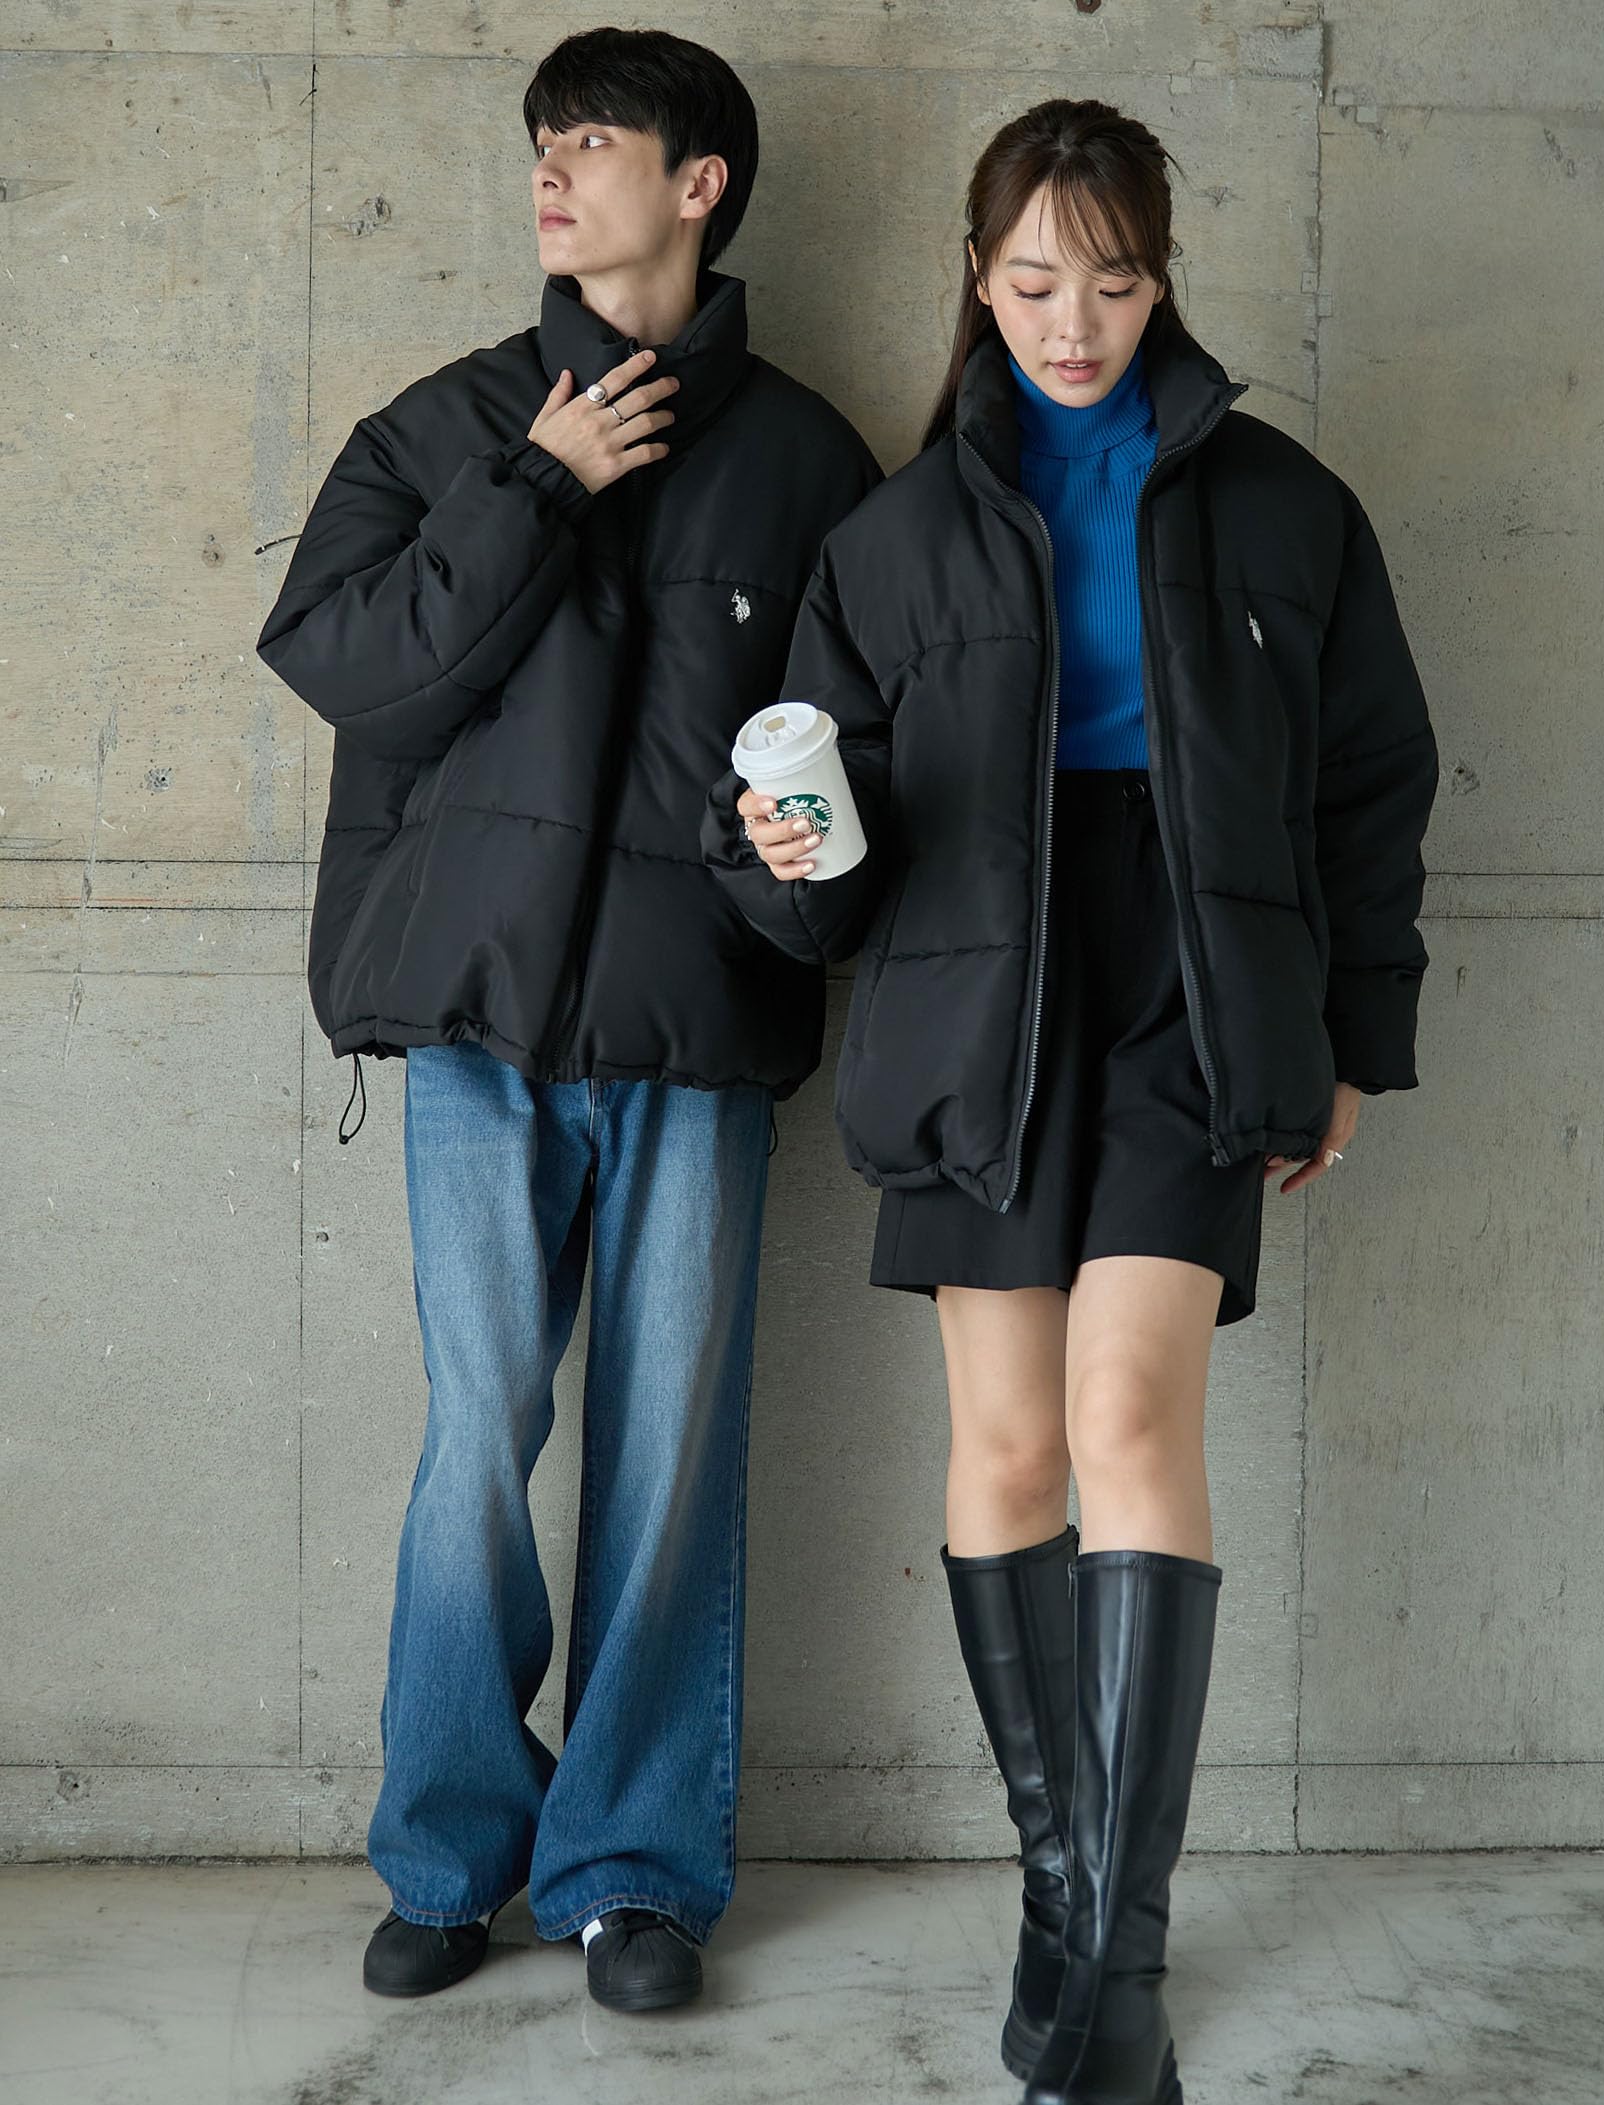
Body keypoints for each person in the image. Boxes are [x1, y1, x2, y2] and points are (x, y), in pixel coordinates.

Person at [706, 97, 1438, 2105]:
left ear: (1160, 275)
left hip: (1194, 991)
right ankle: (1061, 1885)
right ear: (976, 277)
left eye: (1111, 280)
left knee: (1127, 1420)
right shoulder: (892, 538)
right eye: (1033, 280)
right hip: (975, 996)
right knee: (1012, 1447)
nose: (1073, 320)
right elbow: (821, 844)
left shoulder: (1283, 505)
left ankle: (1115, 1968)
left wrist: (1355, 1031)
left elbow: (1370, 782)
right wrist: (786, 850)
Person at [257, 26, 879, 2009]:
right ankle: (448, 1858)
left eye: (592, 139)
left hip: (697, 1030)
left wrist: (803, 866)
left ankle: (633, 1876)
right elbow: (345, 664)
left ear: (699, 183)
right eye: (541, 137)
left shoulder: (809, 464)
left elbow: (866, 766)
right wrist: (537, 484)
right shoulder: (444, 427)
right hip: (479, 1024)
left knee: (671, 1462)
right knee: (477, 1442)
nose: (550, 167)